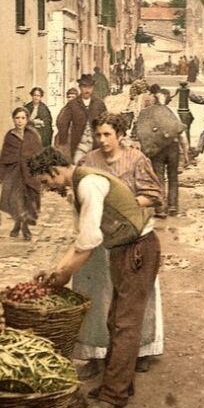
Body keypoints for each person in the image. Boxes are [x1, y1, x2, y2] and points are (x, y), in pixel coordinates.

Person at [28, 145, 161, 408]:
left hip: (138, 249)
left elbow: (88, 245)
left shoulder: (88, 185)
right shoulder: (78, 187)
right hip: (123, 249)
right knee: (115, 320)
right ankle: (121, 384)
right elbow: (78, 239)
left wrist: (62, 277)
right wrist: (57, 269)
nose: (48, 188)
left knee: (125, 324)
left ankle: (114, 395)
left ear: (54, 171)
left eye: (46, 182)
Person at [72, 113, 165, 380]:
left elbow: (155, 194)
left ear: (120, 135)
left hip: (130, 235)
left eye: (107, 135)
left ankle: (141, 351)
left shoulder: (136, 159)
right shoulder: (89, 161)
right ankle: (95, 353)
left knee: (132, 297)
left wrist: (127, 205)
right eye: (98, 135)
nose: (102, 140)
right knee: (95, 293)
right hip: (100, 236)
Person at [0, 107, 42, 240]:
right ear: (13, 119)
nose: (20, 121)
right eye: (17, 118)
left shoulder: (33, 135)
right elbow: (4, 158)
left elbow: (39, 155)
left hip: (29, 174)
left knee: (27, 202)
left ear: (27, 119)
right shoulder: (10, 136)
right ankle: (25, 229)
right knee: (16, 201)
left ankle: (18, 225)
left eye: (23, 118)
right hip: (13, 174)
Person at [134, 92, 186, 215]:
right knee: (173, 178)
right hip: (173, 147)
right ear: (168, 100)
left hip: (157, 149)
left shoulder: (147, 113)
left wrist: (146, 149)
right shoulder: (171, 111)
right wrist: (185, 152)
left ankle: (161, 207)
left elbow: (141, 132)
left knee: (158, 178)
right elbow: (181, 134)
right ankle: (173, 206)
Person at [55, 74, 106, 163]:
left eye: (89, 87)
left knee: (97, 169)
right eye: (84, 87)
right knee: (78, 167)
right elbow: (61, 122)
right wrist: (64, 140)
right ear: (80, 87)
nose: (87, 90)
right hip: (79, 144)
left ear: (93, 88)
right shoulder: (72, 104)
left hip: (96, 145)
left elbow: (106, 121)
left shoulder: (99, 104)